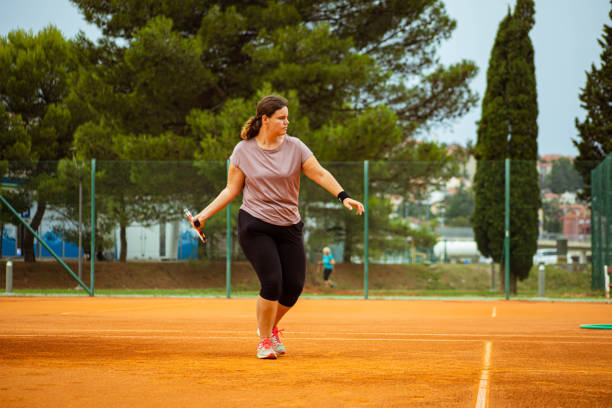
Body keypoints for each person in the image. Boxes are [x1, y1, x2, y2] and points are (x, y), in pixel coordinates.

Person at [192, 95, 364, 359]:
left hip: (289, 225)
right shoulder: (242, 150)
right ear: (265, 119)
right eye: (281, 118)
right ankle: (264, 341)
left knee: (293, 286)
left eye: (287, 117)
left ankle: (269, 328)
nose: (287, 122)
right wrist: (202, 216)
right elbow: (231, 190)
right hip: (255, 223)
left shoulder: (295, 147)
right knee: (272, 281)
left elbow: (318, 172)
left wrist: (344, 195)